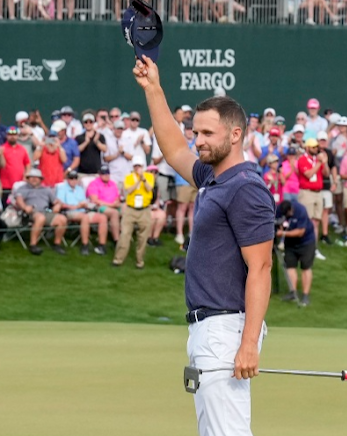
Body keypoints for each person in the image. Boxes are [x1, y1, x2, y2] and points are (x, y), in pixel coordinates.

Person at [134, 55, 274, 436]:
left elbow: (261, 269)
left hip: (226, 329)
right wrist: (153, 89)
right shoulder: (214, 179)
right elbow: (174, 149)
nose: (198, 141)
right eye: (197, 132)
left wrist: (248, 345)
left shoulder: (245, 188)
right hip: (209, 328)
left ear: (235, 134)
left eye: (208, 134)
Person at [112, 156, 154, 268]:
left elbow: (149, 188)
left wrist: (143, 179)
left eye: (139, 166)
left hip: (144, 210)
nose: (137, 168)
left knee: (143, 237)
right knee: (125, 234)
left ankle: (140, 261)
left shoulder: (149, 176)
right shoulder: (129, 177)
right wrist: (138, 181)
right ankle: (118, 259)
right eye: (136, 166)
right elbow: (129, 190)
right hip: (131, 209)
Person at [15, 168, 68, 256]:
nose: (34, 179)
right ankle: (33, 245)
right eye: (32, 177)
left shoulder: (46, 190)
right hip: (30, 213)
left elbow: (57, 201)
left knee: (62, 219)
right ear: (28, 179)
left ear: (41, 179)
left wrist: (58, 205)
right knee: (40, 218)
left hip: (45, 211)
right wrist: (25, 207)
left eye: (37, 177)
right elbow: (19, 199)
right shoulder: (23, 189)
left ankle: (57, 244)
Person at [57, 171, 108, 256]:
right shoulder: (62, 189)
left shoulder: (80, 189)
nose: (73, 180)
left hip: (83, 210)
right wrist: (76, 206)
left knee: (102, 217)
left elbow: (84, 202)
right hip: (69, 212)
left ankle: (101, 245)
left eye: (75, 178)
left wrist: (85, 205)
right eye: (71, 178)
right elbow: (61, 204)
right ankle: (85, 245)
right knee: (85, 218)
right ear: (67, 179)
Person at [276, 200, 316, 307]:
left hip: (306, 242)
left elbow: (300, 232)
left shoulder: (300, 210)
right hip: (290, 244)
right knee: (290, 266)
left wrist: (283, 233)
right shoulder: (279, 210)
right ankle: (292, 292)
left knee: (305, 267)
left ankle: (305, 295)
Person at [297, 138, 329, 260]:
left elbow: (326, 174)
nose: (316, 149)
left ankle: (313, 248)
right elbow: (309, 174)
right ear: (308, 148)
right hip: (307, 193)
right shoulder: (302, 160)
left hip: (318, 192)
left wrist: (324, 163)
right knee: (306, 221)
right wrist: (320, 163)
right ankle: (303, 247)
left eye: (317, 147)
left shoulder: (317, 160)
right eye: (314, 147)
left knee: (316, 221)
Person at [174, 120, 198, 245]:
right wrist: (191, 152)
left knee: (193, 207)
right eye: (188, 129)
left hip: (195, 180)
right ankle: (179, 233)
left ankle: (191, 233)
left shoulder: (198, 142)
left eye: (191, 129)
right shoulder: (180, 143)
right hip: (182, 179)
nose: (189, 131)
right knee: (182, 207)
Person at [87, 166, 122, 246]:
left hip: (114, 205)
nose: (106, 175)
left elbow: (117, 197)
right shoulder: (94, 184)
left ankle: (126, 235)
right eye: (104, 174)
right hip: (101, 207)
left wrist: (116, 203)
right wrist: (111, 205)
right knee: (114, 213)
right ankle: (117, 240)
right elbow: (95, 200)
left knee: (127, 208)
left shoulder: (112, 183)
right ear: (100, 175)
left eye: (107, 173)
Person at [75, 113, 107, 177]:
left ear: (93, 123)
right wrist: (86, 142)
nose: (88, 124)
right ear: (83, 124)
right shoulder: (79, 137)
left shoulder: (99, 136)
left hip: (96, 171)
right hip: (82, 172)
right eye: (86, 122)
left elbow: (105, 149)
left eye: (90, 122)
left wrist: (96, 141)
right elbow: (76, 151)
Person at [146, 165, 167, 247]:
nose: (153, 174)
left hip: (153, 206)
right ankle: (148, 238)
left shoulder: (156, 185)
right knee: (152, 215)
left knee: (162, 215)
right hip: (144, 207)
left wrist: (156, 205)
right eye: (151, 172)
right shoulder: (143, 183)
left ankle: (155, 237)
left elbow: (157, 197)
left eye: (155, 172)